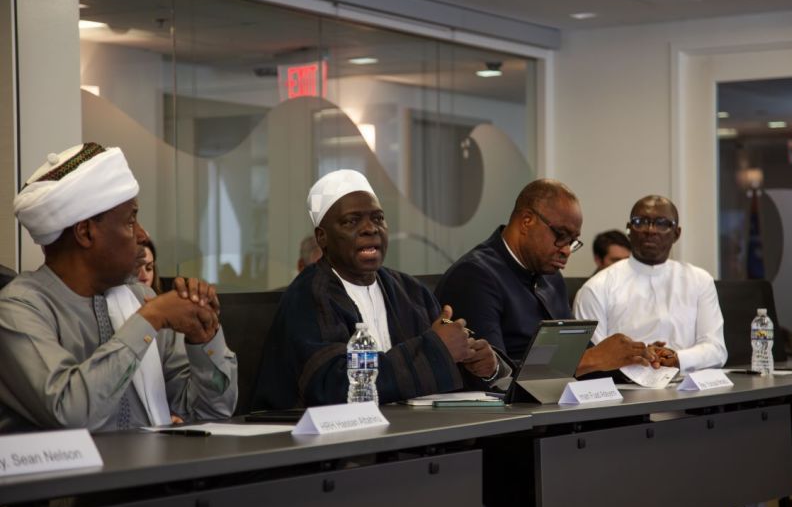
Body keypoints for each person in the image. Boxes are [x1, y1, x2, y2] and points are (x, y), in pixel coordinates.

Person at [0, 142, 238, 433]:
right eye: (130, 221)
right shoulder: (19, 308)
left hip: (155, 473)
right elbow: (69, 413)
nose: (142, 234)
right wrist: (149, 320)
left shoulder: (142, 298)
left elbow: (211, 411)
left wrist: (204, 341)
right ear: (86, 232)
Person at [253, 169, 505, 409]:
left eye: (378, 218)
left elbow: (443, 374)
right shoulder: (309, 296)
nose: (370, 228)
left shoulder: (410, 291)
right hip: (333, 447)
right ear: (322, 237)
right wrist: (437, 351)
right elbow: (336, 387)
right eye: (351, 221)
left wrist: (481, 367)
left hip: (412, 437)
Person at [435, 179, 656, 375]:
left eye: (572, 241)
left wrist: (633, 357)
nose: (567, 250)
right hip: (513, 418)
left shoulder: (551, 277)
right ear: (526, 221)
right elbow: (493, 374)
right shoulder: (474, 276)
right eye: (561, 235)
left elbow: (579, 351)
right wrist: (591, 359)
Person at [574, 195, 727, 372]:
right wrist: (643, 358)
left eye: (662, 223)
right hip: (627, 393)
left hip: (689, 389)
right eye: (640, 222)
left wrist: (676, 358)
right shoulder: (597, 288)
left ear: (676, 234)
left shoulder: (700, 280)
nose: (650, 230)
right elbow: (594, 360)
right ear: (629, 230)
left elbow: (716, 350)